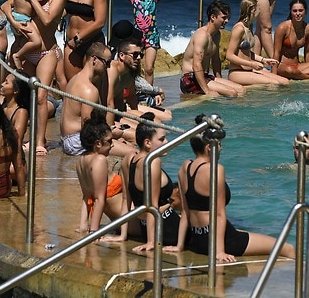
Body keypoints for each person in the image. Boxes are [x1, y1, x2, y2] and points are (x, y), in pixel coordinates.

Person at [164, 115, 296, 262]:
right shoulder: (215, 169)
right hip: (222, 241)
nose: (221, 148)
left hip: (198, 240)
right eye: (219, 144)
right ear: (209, 147)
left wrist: (179, 246)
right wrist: (220, 252)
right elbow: (220, 214)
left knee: (246, 232)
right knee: (286, 247)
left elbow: (186, 212)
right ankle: (308, 267)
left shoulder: (185, 167)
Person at [4, 0, 66, 155]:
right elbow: (6, 4)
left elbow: (47, 19)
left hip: (46, 52)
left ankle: (39, 142)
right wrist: (14, 21)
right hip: (26, 49)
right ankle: (22, 137)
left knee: (40, 97)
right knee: (24, 95)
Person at [60, 42, 136, 157]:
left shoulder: (75, 79)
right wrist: (111, 135)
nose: (108, 67)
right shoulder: (89, 90)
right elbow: (88, 129)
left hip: (67, 139)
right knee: (134, 152)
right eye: (107, 63)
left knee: (126, 144)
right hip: (76, 141)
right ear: (94, 59)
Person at [76, 109, 140, 240]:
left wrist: (83, 225)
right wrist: (94, 232)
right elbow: (99, 199)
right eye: (109, 141)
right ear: (98, 144)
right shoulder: (99, 160)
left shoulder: (81, 160)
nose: (112, 145)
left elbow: (87, 197)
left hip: (120, 223)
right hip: (134, 224)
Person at [121, 112, 180, 250]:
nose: (166, 142)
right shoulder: (153, 162)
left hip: (146, 227)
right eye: (162, 139)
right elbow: (152, 206)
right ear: (147, 142)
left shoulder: (129, 159)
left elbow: (126, 200)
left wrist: (123, 235)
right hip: (167, 228)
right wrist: (151, 241)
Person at [180, 0, 245, 97]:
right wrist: (207, 91)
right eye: (224, 18)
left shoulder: (216, 34)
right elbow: (196, 65)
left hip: (204, 76)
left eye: (228, 18)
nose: (227, 21)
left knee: (241, 89)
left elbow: (215, 60)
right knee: (232, 93)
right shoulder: (202, 35)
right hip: (190, 79)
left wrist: (220, 81)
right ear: (213, 17)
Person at [118, 0, 169, 85]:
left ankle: (149, 94)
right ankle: (135, 92)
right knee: (134, 68)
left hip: (152, 36)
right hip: (137, 36)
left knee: (149, 69)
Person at [64, 0, 107, 81]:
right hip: (71, 44)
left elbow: (100, 22)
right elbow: (65, 8)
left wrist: (78, 38)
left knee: (91, 84)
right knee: (73, 84)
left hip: (91, 44)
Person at [225, 0, 289, 86]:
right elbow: (229, 55)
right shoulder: (239, 29)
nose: (260, 12)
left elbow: (245, 52)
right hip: (237, 72)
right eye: (259, 9)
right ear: (253, 10)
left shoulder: (248, 26)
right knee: (274, 84)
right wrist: (251, 63)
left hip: (249, 70)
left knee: (285, 81)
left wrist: (263, 60)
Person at [9, 0, 55, 69]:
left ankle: (11, 59)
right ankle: (17, 55)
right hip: (23, 20)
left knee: (18, 41)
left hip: (16, 17)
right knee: (36, 42)